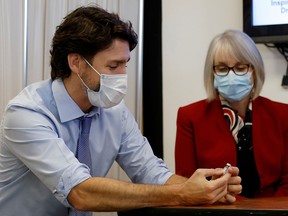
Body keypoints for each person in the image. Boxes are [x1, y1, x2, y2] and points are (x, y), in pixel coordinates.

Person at [0, 6, 241, 216]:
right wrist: (182, 194)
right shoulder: (26, 113)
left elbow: (152, 173)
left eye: (125, 65)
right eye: (113, 66)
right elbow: (80, 192)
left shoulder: (115, 111)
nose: (122, 76)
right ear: (76, 63)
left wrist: (206, 189)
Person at [175, 29, 288, 199]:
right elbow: (186, 184)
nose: (231, 75)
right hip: (217, 211)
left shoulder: (282, 114)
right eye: (222, 69)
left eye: (240, 67)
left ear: (254, 71)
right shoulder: (190, 117)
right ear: (212, 73)